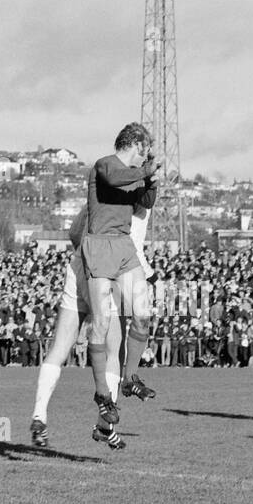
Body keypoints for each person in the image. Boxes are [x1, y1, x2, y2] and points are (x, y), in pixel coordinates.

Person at [80, 123, 160, 434]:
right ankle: (103, 395)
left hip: (124, 245)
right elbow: (116, 177)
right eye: (145, 148)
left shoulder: (134, 174)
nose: (145, 155)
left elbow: (146, 202)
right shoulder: (105, 165)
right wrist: (145, 171)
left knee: (143, 314)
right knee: (101, 323)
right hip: (99, 245)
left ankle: (129, 379)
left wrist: (153, 179)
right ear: (135, 143)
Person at [29, 214, 125, 449]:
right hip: (105, 267)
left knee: (60, 347)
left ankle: (39, 414)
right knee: (114, 351)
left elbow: (73, 232)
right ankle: (104, 425)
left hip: (79, 263)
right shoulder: (129, 196)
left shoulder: (93, 198)